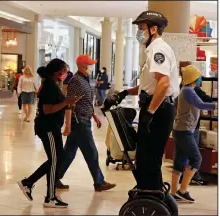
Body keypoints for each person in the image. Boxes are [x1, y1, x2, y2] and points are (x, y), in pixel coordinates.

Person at [103, 11, 179, 191]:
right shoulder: (153, 49)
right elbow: (149, 85)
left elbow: (163, 82)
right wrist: (124, 93)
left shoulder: (158, 50)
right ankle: (151, 190)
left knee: (148, 156)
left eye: (142, 28)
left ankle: (150, 194)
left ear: (154, 29)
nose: (139, 31)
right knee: (146, 156)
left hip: (159, 109)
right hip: (157, 106)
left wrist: (150, 113)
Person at [17, 58, 81, 208]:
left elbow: (56, 105)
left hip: (53, 127)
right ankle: (50, 197)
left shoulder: (53, 85)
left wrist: (68, 103)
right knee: (54, 160)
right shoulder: (49, 86)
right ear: (56, 72)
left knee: (58, 158)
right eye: (64, 70)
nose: (66, 73)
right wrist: (66, 102)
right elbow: (47, 109)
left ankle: (29, 182)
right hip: (48, 128)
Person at [56, 54, 116, 192]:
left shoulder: (84, 79)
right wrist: (68, 125)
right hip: (79, 122)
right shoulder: (76, 81)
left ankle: (55, 177)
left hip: (84, 118)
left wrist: (94, 115)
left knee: (69, 152)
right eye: (90, 65)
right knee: (91, 152)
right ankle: (99, 183)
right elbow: (70, 104)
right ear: (83, 67)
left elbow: (84, 101)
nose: (92, 67)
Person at [171, 65, 215, 203]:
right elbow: (201, 105)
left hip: (180, 129)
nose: (200, 78)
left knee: (179, 162)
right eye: (199, 76)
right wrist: (216, 105)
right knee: (196, 159)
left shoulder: (185, 90)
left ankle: (173, 193)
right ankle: (183, 190)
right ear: (194, 78)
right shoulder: (189, 90)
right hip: (185, 131)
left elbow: (177, 103)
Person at [179, 83, 213, 186]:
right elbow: (207, 100)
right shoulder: (193, 90)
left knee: (184, 153)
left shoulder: (183, 88)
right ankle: (194, 177)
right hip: (192, 127)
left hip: (182, 126)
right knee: (195, 155)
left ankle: (183, 176)